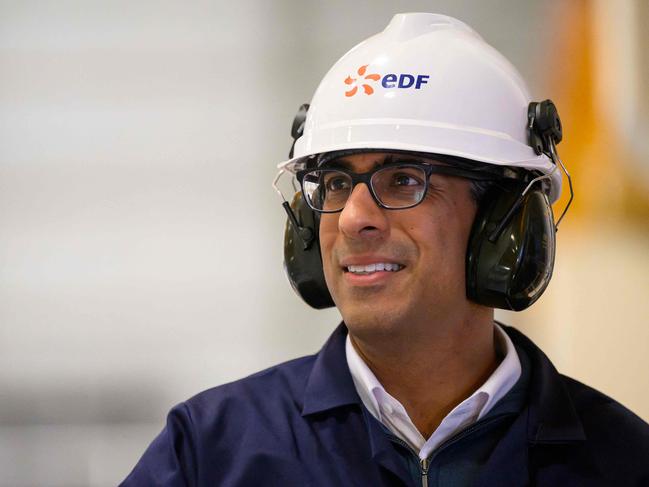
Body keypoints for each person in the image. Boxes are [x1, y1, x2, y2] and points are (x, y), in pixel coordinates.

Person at [121, 13, 649, 486]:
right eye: (332, 183)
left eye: (403, 180)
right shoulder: (211, 453)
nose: (352, 219)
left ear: (505, 222)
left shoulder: (624, 461)